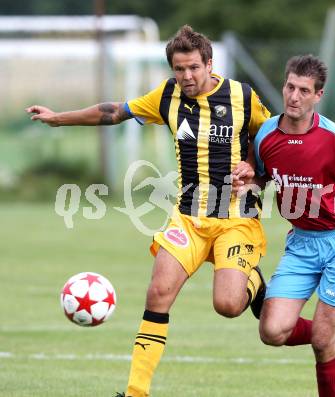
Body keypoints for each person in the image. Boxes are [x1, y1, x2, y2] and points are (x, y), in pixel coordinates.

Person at [27, 25, 272, 397]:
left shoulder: (241, 96)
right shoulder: (167, 96)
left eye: (193, 68)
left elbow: (272, 137)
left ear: (209, 63)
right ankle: (136, 392)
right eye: (178, 69)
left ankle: (252, 284)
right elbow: (114, 112)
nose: (186, 77)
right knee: (157, 293)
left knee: (227, 305)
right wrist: (58, 118)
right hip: (187, 218)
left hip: (236, 219)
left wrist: (253, 166)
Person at [232, 55, 335, 397]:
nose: (294, 96)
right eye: (290, 87)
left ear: (318, 95)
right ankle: (334, 333)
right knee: (271, 330)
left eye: (303, 90)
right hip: (301, 243)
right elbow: (263, 180)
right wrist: (247, 182)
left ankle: (329, 337)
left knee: (321, 342)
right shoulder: (266, 133)